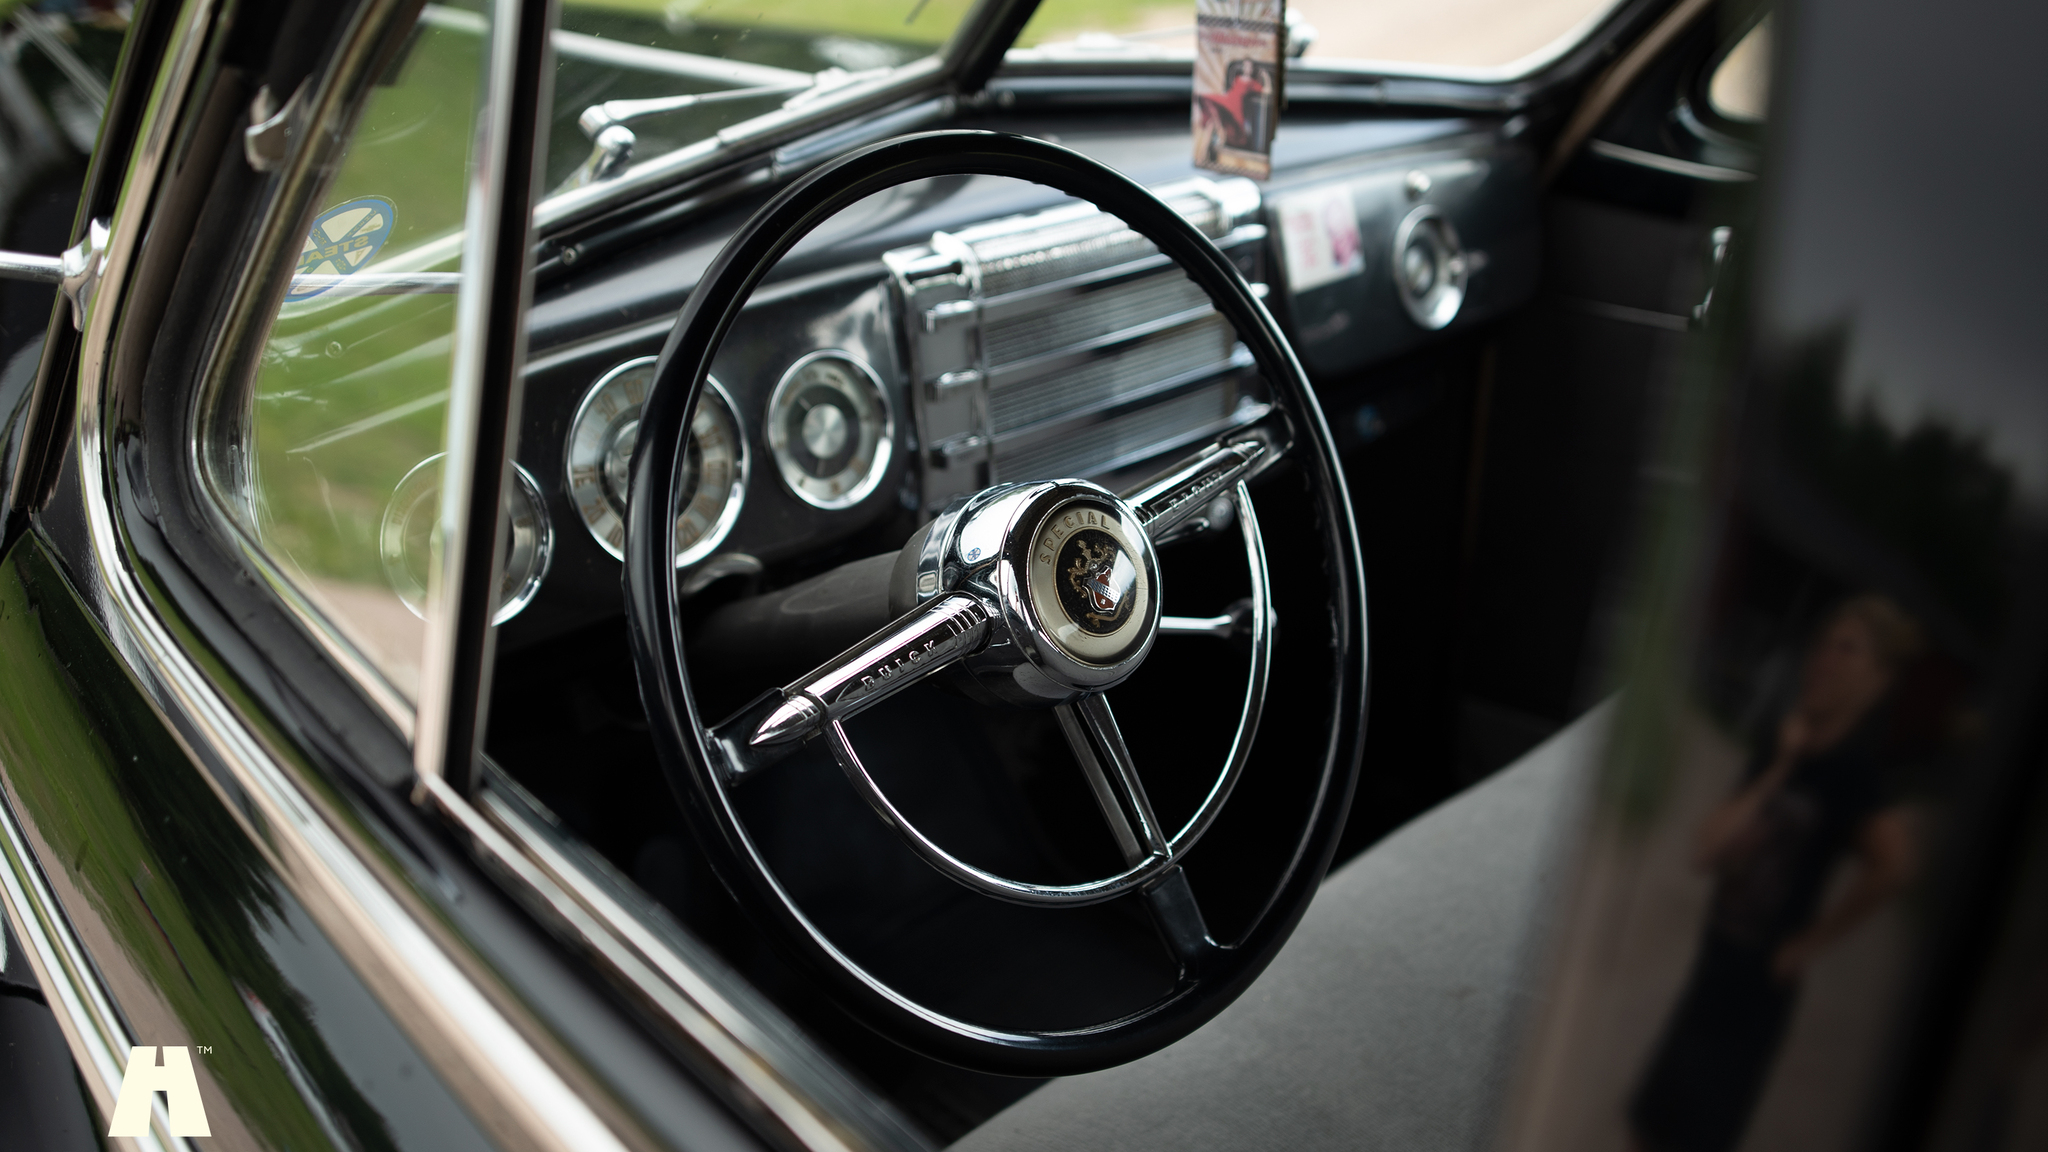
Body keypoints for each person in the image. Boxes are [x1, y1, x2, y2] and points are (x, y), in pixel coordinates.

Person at [1629, 595, 1924, 1152]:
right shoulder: (1780, 744)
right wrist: (1782, 766)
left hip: (1755, 999)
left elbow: (1895, 867)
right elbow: (1705, 849)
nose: (1825, 659)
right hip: (1712, 971)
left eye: (1848, 649)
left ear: (1878, 679)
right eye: (1823, 645)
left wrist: (1811, 943)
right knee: (1644, 1130)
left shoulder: (1854, 774)